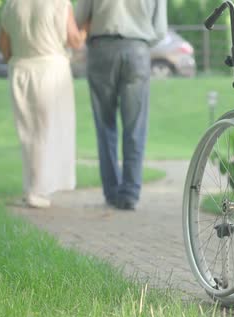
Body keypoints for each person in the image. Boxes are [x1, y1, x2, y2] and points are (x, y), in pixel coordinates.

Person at [75, 0, 167, 210]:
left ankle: (111, 190)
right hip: (137, 49)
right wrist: (138, 41)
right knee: (135, 126)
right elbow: (160, 31)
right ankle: (130, 194)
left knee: (105, 125)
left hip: (101, 50)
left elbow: (79, 19)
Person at [0, 0, 87, 208]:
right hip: (51, 70)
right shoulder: (59, 3)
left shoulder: (11, 5)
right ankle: (38, 190)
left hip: (21, 70)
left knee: (29, 133)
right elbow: (74, 41)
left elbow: (4, 48)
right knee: (49, 131)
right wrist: (86, 29)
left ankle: (33, 187)